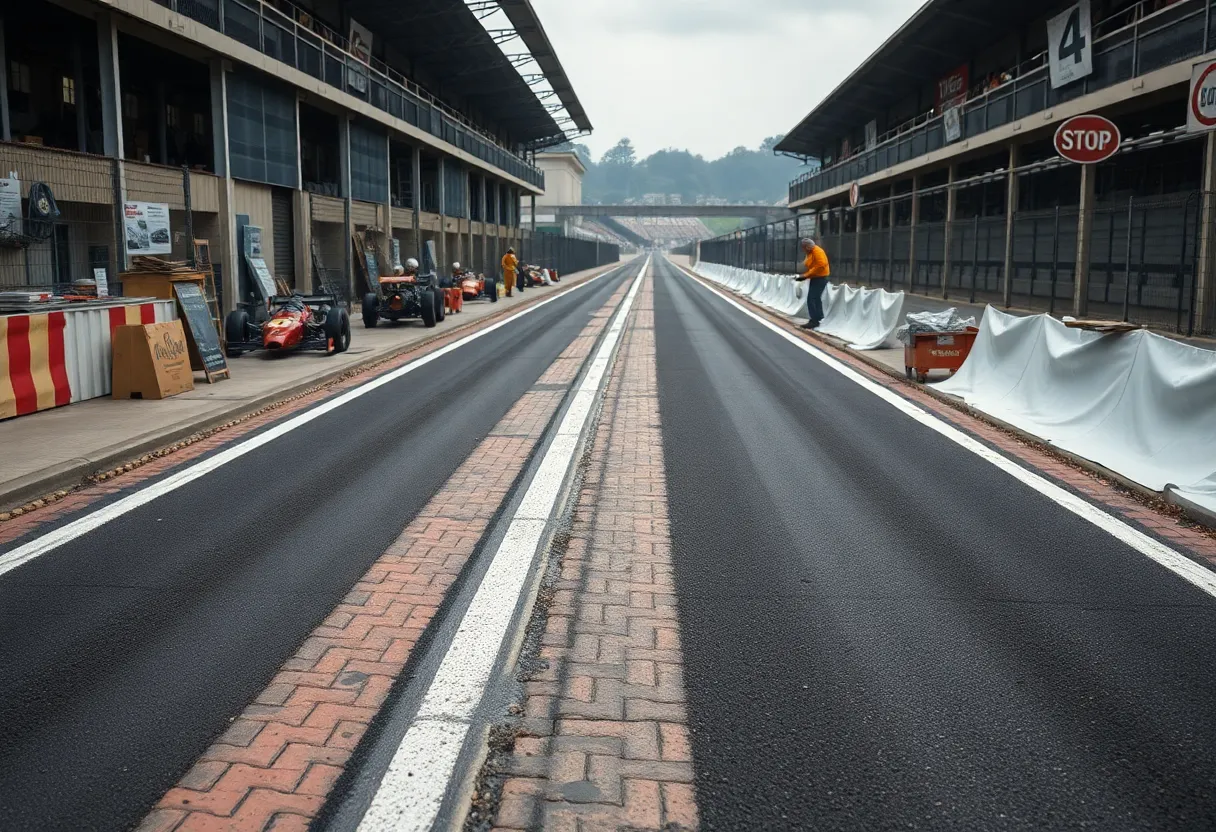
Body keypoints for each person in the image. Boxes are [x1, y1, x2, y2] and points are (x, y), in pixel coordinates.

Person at [794, 237, 830, 330]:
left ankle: (814, 321)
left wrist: (806, 275)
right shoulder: (810, 253)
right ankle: (819, 317)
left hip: (820, 278)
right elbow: (810, 265)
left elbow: (820, 265)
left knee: (812, 299)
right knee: (816, 298)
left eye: (803, 247)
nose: (803, 249)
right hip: (816, 277)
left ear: (807, 247)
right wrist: (804, 276)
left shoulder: (817, 252)